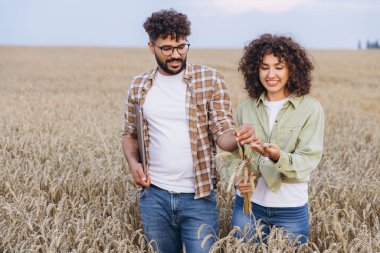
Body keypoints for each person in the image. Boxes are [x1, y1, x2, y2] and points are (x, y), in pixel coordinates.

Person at [121, 9, 255, 253]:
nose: (176, 55)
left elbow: (222, 132)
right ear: (151, 46)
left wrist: (237, 138)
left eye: (182, 47)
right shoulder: (139, 85)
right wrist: (133, 163)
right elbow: (129, 133)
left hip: (199, 198)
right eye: (167, 48)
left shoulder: (210, 79)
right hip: (154, 196)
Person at [231, 34, 324, 245]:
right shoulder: (246, 108)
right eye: (264, 67)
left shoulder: (310, 108)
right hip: (247, 208)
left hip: (290, 210)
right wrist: (237, 177)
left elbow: (308, 160)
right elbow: (234, 157)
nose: (271, 74)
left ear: (292, 69)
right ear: (255, 69)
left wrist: (278, 157)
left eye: (279, 67)